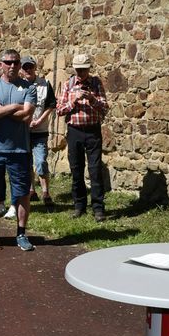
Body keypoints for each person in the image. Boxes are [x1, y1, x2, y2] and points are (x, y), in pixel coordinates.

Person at [0, 49, 37, 251]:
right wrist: (13, 107)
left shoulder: (29, 87)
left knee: (22, 194)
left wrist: (1, 108)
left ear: (20, 65)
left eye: (16, 62)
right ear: (0, 64)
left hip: (19, 151)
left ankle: (21, 234)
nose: (12, 66)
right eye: (8, 62)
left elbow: (26, 115)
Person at [56, 53, 109, 221]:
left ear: (89, 69)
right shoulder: (68, 85)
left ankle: (98, 208)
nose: (81, 73)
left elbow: (105, 108)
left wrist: (92, 99)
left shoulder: (96, 83)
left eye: (84, 70)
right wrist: (74, 101)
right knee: (76, 169)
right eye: (78, 70)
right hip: (75, 131)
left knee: (95, 170)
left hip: (93, 130)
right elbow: (59, 110)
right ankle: (79, 206)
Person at [19, 55, 56, 208]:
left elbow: (51, 105)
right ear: (22, 69)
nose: (28, 70)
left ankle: (46, 192)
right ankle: (31, 190)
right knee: (26, 162)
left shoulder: (45, 84)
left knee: (40, 161)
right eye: (25, 67)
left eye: (30, 67)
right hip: (23, 131)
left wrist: (40, 120)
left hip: (40, 130)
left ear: (35, 67)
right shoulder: (18, 86)